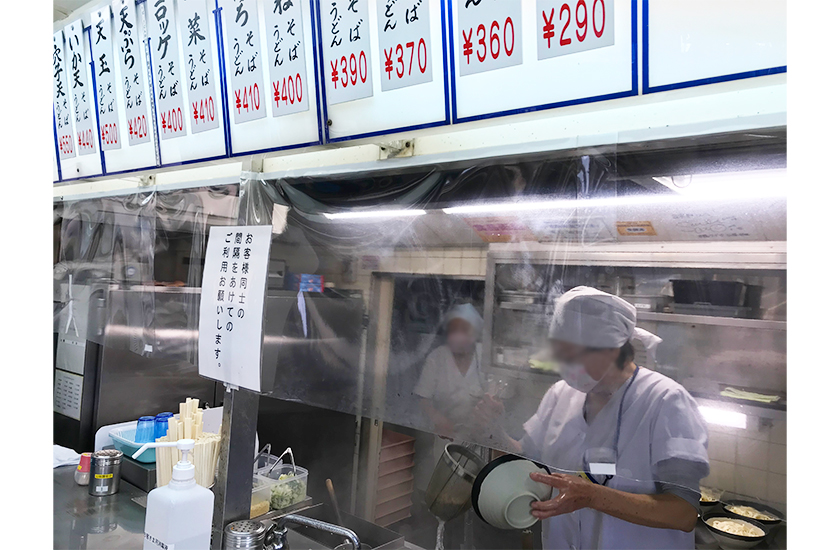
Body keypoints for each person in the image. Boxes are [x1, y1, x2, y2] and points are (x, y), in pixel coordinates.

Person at [475, 286, 709, 550]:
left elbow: (684, 512)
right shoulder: (561, 395)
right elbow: (532, 466)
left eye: (576, 352)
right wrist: (494, 431)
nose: (565, 362)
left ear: (612, 348)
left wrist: (593, 497)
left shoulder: (665, 401)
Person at [414, 303, 485, 439]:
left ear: (475, 334)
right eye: (453, 330)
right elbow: (422, 398)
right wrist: (438, 419)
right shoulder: (436, 358)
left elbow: (497, 396)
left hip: (481, 436)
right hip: (444, 434)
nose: (458, 336)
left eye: (464, 330)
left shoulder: (484, 355)